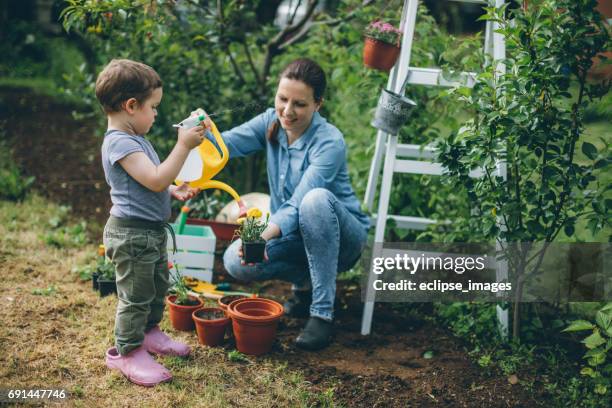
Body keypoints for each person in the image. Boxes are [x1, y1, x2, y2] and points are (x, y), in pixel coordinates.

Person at [208, 58, 370, 350]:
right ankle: (305, 286)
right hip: (297, 236)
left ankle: (322, 313)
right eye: (283, 99)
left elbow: (298, 205)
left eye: (300, 104)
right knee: (236, 261)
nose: (287, 111)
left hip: (344, 240)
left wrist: (261, 235)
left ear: (318, 104)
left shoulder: (329, 142)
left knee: (314, 200)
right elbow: (224, 145)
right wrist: (195, 139)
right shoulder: (271, 121)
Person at [96, 59, 203, 386]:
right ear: (131, 106)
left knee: (156, 287)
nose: (156, 114)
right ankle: (127, 353)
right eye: (153, 107)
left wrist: (172, 189)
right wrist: (183, 146)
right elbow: (154, 179)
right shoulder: (120, 142)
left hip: (149, 233)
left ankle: (150, 333)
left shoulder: (135, 138)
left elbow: (149, 182)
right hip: (131, 235)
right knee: (135, 295)